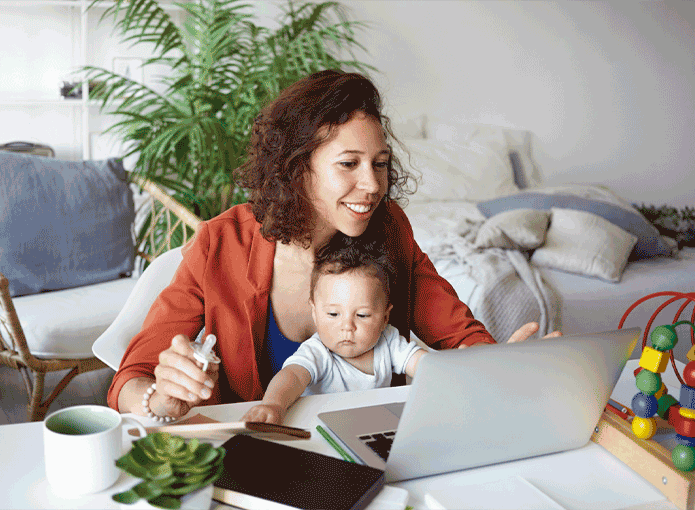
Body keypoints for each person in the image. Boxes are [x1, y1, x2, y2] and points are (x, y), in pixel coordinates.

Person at [108, 69, 559, 420]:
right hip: (253, 454)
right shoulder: (220, 242)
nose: (372, 184)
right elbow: (132, 379)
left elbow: (457, 334)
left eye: (380, 164)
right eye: (349, 163)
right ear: (296, 166)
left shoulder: (391, 229)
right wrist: (160, 399)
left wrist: (499, 364)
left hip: (366, 445)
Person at [241, 237, 427, 424]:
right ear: (315, 312)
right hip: (320, 429)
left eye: (362, 315)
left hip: (370, 426)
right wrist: (274, 404)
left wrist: (446, 379)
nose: (347, 326)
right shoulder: (319, 352)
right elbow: (293, 376)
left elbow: (422, 364)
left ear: (385, 317)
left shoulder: (388, 340)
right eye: (333, 313)